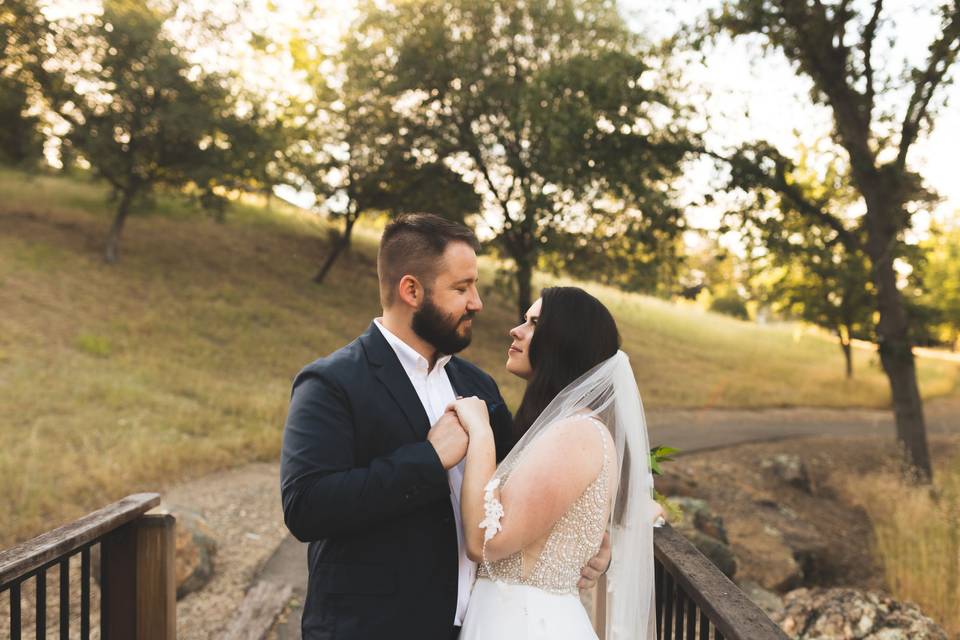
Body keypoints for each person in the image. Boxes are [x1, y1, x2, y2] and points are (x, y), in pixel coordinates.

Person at [280, 214, 610, 640]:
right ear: (411, 290)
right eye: (461, 288)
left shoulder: (478, 385)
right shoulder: (333, 382)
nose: (477, 303)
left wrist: (588, 540)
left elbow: (521, 493)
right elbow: (306, 507)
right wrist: (428, 459)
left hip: (478, 627)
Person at [451, 287, 662, 640]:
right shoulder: (563, 429)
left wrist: (480, 432)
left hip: (526, 623)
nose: (516, 330)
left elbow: (485, 542)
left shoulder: (575, 435)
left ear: (564, 342)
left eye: (534, 323)